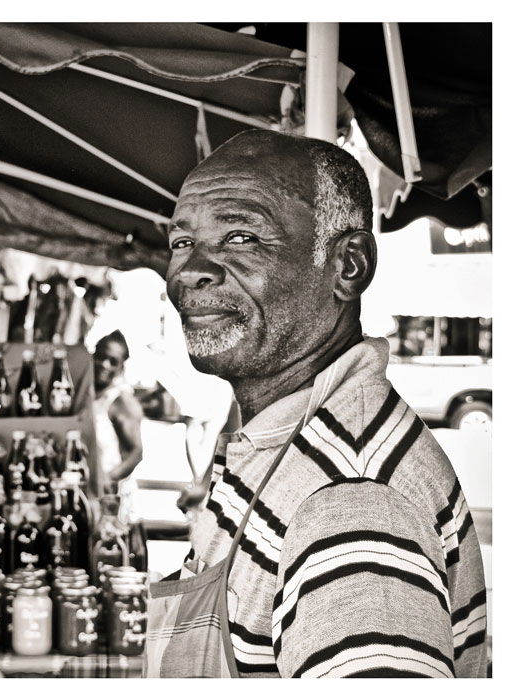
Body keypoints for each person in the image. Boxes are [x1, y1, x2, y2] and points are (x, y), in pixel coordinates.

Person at [144, 130, 487, 678]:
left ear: (348, 265)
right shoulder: (290, 439)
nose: (189, 271)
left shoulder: (352, 509)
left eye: (239, 236)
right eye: (182, 242)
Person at [92, 330, 144, 506]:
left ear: (121, 367)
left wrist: (108, 478)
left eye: (113, 362)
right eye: (101, 357)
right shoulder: (87, 395)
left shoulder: (121, 401)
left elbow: (136, 453)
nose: (105, 365)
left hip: (111, 494)